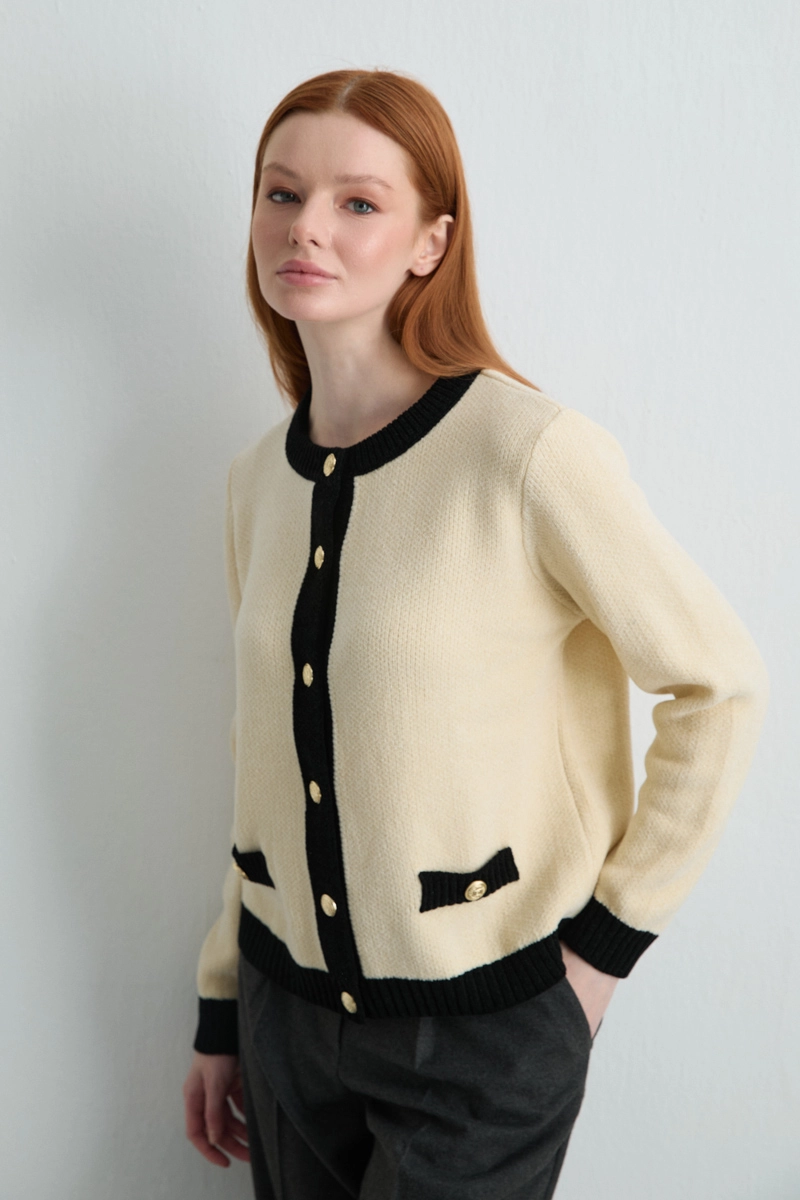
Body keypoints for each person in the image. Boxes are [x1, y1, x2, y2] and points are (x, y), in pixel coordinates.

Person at [182, 68, 770, 1199]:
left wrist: (600, 955)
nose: (305, 227)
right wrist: (221, 1000)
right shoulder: (257, 483)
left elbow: (720, 687)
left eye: (358, 202)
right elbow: (266, 764)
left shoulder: (525, 453)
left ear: (430, 242)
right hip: (281, 1014)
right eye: (280, 193)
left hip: (482, 1036)